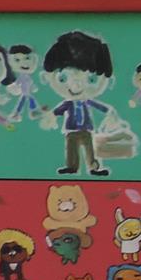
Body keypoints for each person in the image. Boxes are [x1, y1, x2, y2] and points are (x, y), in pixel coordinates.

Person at [42, 29, 115, 176]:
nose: (77, 86)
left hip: (86, 129)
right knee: (71, 149)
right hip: (71, 130)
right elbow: (58, 111)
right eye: (63, 78)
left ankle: (93, 167)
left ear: (109, 81)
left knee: (89, 148)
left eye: (91, 79)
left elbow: (102, 107)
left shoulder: (87, 102)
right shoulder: (68, 104)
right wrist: (51, 116)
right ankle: (71, 166)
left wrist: (110, 114)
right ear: (46, 77)